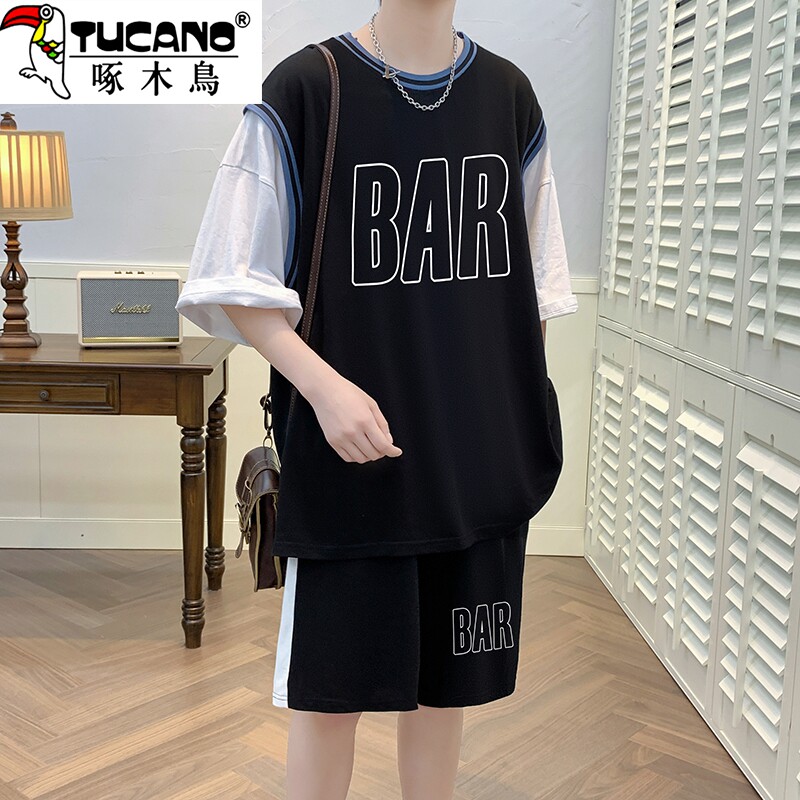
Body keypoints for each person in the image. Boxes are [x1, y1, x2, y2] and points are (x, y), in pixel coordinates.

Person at [176, 0, 578, 797]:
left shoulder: (509, 98)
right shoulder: (304, 90)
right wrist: (324, 389)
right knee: (330, 700)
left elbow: (532, 289)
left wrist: (512, 428)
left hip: (473, 473)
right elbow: (230, 277)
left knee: (444, 694)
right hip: (351, 474)